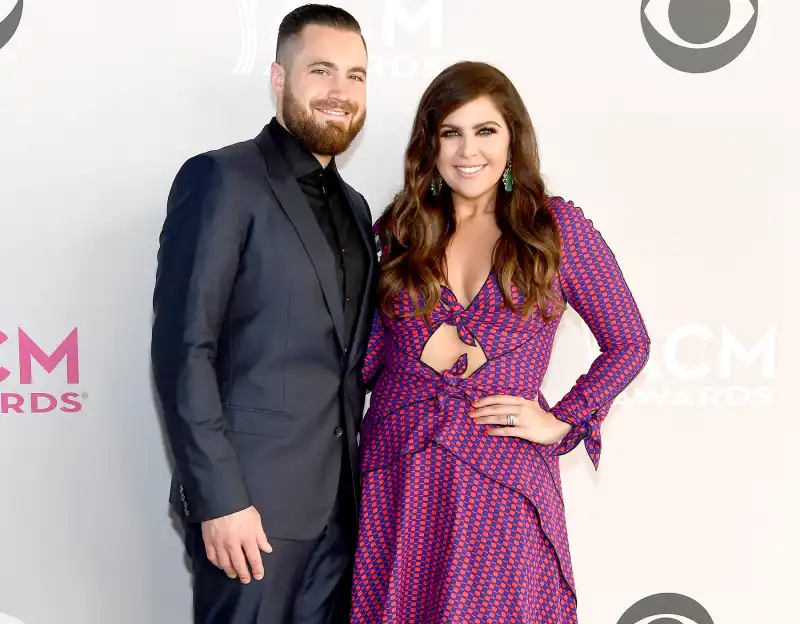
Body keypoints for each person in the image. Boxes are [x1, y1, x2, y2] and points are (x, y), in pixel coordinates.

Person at [351, 61, 651, 623]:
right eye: (451, 132)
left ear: (513, 138)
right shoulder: (397, 232)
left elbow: (629, 342)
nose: (469, 150)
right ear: (430, 144)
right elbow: (360, 360)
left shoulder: (555, 230)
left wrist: (562, 420)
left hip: (502, 484)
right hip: (401, 481)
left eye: (485, 130)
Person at [150, 5, 377, 623]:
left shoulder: (358, 209)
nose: (340, 91)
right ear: (279, 78)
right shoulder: (222, 179)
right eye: (322, 70)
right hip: (248, 512)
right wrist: (219, 499)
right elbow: (183, 348)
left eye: (356, 76)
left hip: (340, 513)